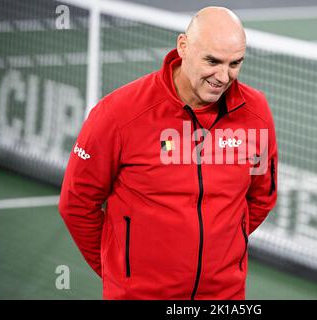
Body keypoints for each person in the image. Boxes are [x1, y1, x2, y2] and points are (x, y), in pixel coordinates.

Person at [59, 6, 278, 300]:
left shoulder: (256, 113)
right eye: (212, 61)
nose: (223, 76)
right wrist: (121, 271)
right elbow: (77, 202)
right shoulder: (118, 114)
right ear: (183, 47)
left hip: (224, 297)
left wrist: (222, 247)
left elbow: (262, 196)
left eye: (235, 63)